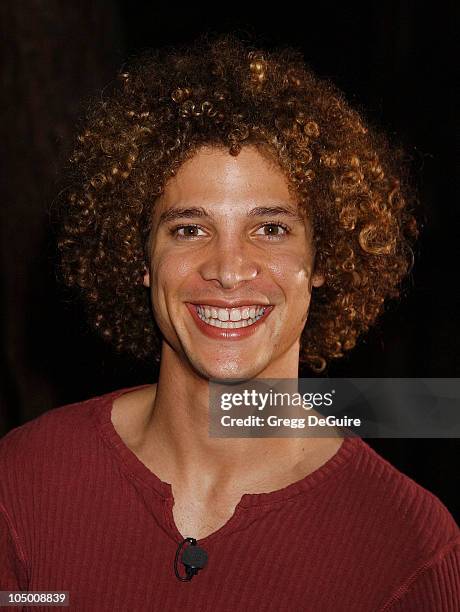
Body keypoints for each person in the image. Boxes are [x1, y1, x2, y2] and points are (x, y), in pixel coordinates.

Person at [0, 33, 458, 611]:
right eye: (189, 229)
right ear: (139, 258)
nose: (228, 269)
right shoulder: (24, 481)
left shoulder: (410, 548)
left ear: (324, 260)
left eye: (271, 229)